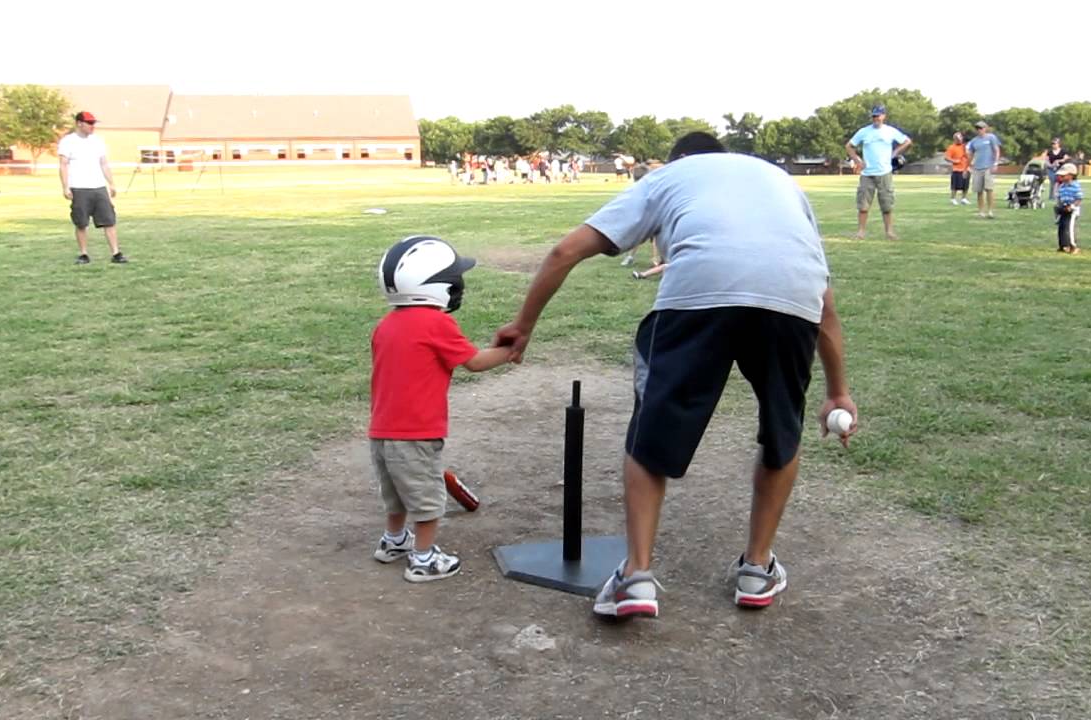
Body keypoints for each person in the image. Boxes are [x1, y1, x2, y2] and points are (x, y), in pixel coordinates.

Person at [495, 132, 857, 618]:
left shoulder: (667, 176)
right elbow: (826, 305)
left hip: (697, 298)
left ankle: (637, 577)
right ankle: (756, 568)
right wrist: (838, 392)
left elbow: (565, 251)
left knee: (651, 435)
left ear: (677, 159)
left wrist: (522, 326)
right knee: (781, 431)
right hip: (792, 298)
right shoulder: (780, 181)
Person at [370, 236, 513, 582]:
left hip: (382, 431)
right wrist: (510, 351)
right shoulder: (436, 323)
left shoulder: (386, 324)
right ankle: (423, 559)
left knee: (396, 493)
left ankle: (393, 540)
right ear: (435, 285)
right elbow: (475, 363)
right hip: (418, 432)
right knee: (427, 498)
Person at [58, 111, 126, 264]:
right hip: (79, 188)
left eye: (93, 123)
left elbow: (104, 163)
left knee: (109, 220)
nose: (92, 126)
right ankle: (83, 254)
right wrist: (65, 187)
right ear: (79, 123)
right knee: (81, 223)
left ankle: (116, 253)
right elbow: (63, 165)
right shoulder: (68, 142)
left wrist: (111, 183)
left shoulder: (97, 141)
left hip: (98, 187)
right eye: (89, 123)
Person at [845, 105, 911, 239]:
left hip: (884, 172)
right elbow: (849, 146)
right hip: (867, 173)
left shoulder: (890, 131)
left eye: (879, 116)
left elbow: (907, 141)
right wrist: (857, 161)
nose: (876, 118)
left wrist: (896, 153)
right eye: (874, 116)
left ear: (884, 116)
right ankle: (861, 232)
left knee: (886, 204)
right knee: (863, 204)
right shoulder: (864, 132)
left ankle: (889, 232)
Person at [966, 121, 1002, 219]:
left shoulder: (991, 137)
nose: (979, 130)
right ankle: (981, 212)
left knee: (989, 189)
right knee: (979, 191)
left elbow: (996, 150)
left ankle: (990, 211)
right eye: (977, 128)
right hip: (977, 168)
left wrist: (995, 163)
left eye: (981, 128)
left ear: (985, 128)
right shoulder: (974, 141)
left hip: (988, 167)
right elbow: (970, 154)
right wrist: (968, 166)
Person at [1053, 163, 1084, 254]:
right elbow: (1060, 197)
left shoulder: (1075, 186)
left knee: (1069, 228)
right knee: (1061, 227)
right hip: (1063, 208)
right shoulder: (1062, 186)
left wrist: (1072, 206)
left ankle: (1073, 246)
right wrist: (1059, 206)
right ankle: (1063, 246)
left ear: (1071, 175)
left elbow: (1079, 198)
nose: (1060, 177)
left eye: (1063, 175)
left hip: (1072, 210)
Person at [944, 132, 971, 205]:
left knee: (965, 185)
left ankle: (964, 198)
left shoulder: (964, 147)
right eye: (957, 139)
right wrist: (954, 161)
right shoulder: (951, 147)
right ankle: (953, 199)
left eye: (960, 138)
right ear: (954, 139)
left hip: (965, 169)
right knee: (955, 186)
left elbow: (968, 156)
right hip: (957, 169)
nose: (959, 140)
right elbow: (946, 157)